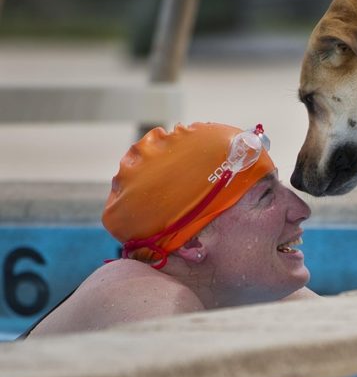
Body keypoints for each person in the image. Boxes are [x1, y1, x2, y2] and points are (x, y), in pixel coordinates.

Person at [24, 122, 317, 338]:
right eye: (266, 196)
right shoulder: (148, 302)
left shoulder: (264, 294)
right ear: (192, 242)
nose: (302, 210)